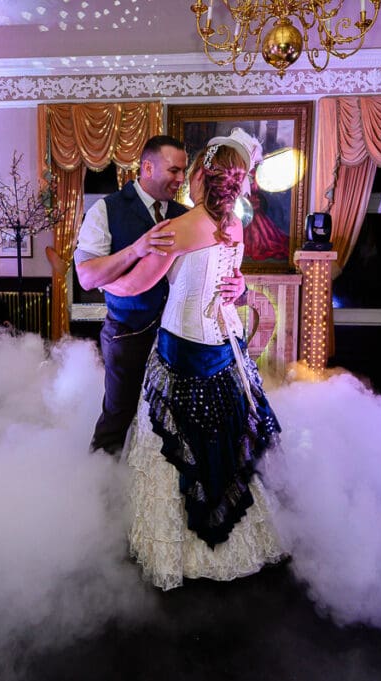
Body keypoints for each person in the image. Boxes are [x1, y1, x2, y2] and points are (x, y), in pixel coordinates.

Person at [102, 129, 284, 590]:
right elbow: (232, 279)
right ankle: (230, 539)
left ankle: (180, 548)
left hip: (182, 347)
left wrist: (100, 280)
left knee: (173, 448)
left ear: (203, 175)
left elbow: (137, 284)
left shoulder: (180, 228)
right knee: (222, 442)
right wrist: (238, 287)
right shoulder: (236, 223)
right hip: (225, 348)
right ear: (238, 181)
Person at [75, 135, 247, 454]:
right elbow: (86, 276)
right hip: (129, 333)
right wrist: (135, 250)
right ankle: (100, 493)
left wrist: (240, 286)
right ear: (148, 167)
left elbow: (209, 270)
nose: (180, 179)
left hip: (178, 345)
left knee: (161, 424)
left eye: (185, 171)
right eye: (174, 170)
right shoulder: (105, 210)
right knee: (119, 415)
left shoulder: (187, 215)